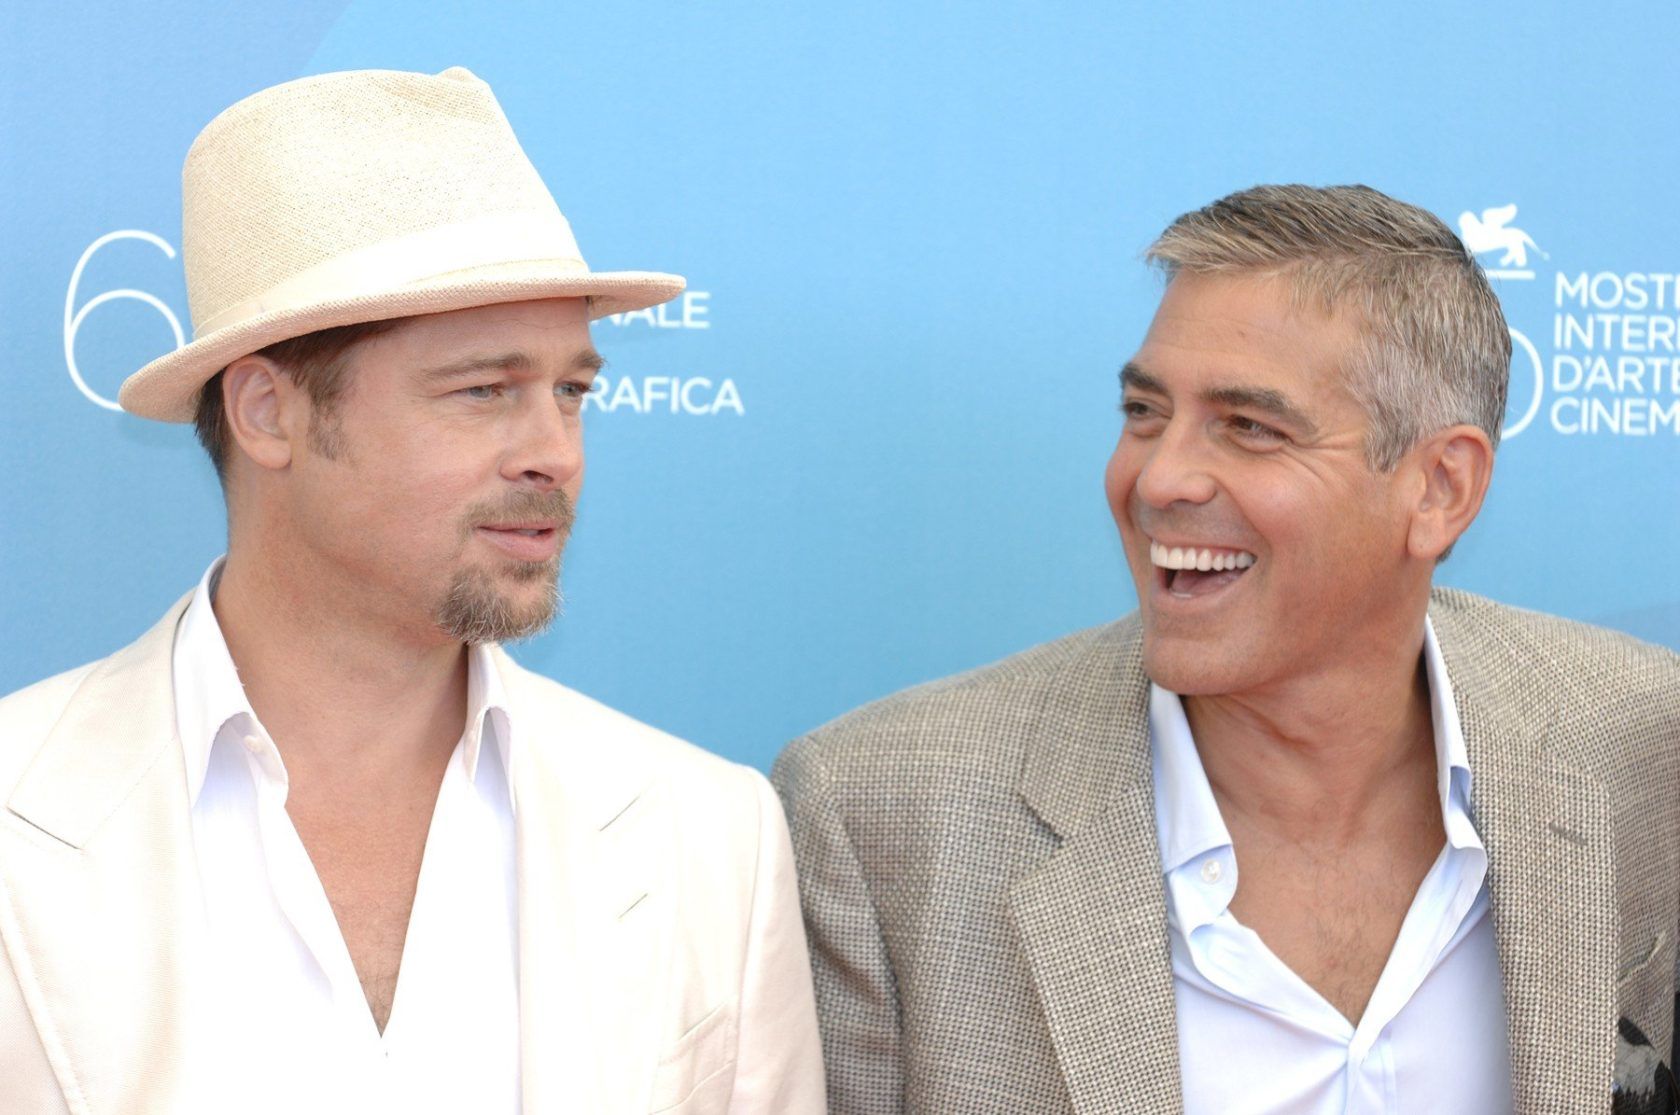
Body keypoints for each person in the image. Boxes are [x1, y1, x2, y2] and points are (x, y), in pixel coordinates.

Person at [0, 66, 823, 1114]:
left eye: (570, 391)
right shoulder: (18, 803)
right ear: (267, 412)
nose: (554, 452)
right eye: (485, 390)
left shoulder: (713, 834)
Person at [773, 184, 1680, 1114]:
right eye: (1144, 413)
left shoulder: (1648, 748)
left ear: (1441, 487)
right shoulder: (884, 817)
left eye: (1250, 427)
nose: (1159, 477)